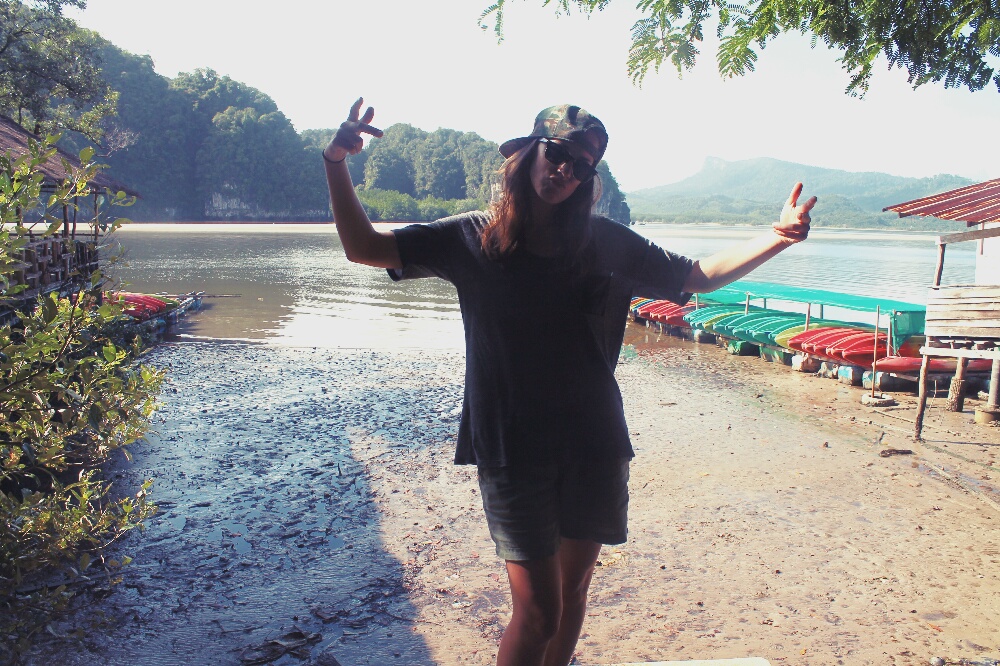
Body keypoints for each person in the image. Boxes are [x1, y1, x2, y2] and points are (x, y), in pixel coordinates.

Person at [323, 98, 815, 666]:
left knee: (573, 592)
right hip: (511, 448)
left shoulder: (604, 242)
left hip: (593, 442)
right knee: (538, 613)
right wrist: (336, 162)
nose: (565, 170)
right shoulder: (473, 237)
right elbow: (364, 248)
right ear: (529, 151)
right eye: (557, 154)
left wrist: (777, 238)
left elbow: (694, 276)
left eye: (581, 166)